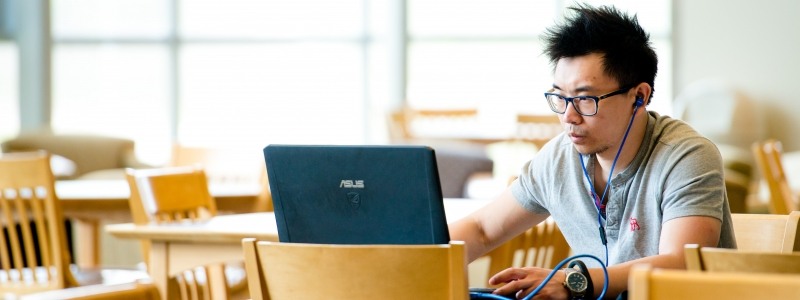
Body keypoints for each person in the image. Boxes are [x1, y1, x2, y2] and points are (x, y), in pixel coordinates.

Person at [449, 3, 736, 299]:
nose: (568, 117)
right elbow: (482, 229)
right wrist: (411, 258)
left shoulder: (686, 156)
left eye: (586, 99)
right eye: (560, 97)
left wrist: (572, 282)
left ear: (639, 96)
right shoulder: (560, 158)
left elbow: (682, 264)